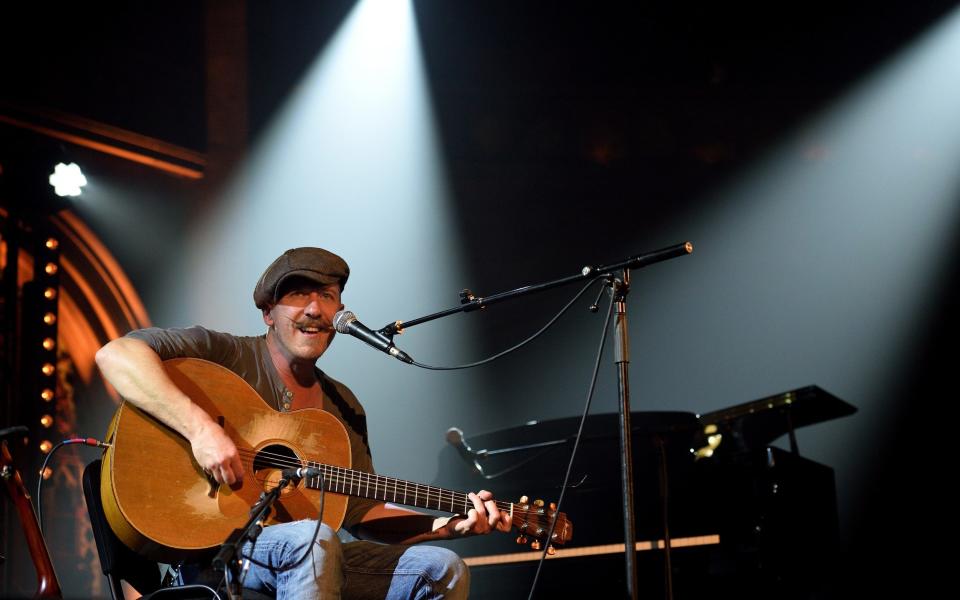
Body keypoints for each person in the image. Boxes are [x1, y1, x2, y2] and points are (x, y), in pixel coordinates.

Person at [95, 247, 512, 599]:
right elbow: (115, 355)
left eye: (327, 296)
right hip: (218, 551)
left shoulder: (343, 405)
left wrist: (445, 526)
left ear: (339, 312)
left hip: (312, 552)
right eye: (298, 294)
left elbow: (361, 512)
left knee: (443, 568)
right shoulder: (222, 353)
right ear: (268, 313)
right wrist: (201, 429)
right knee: (314, 539)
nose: (314, 309)